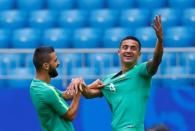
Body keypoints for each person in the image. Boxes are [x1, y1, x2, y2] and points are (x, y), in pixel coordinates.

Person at [70, 15, 164, 131]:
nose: (128, 50)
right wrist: (80, 82)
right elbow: (88, 94)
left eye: (133, 48)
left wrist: (160, 40)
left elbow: (157, 59)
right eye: (125, 47)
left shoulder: (141, 72)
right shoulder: (108, 79)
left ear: (139, 54)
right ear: (119, 52)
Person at [30, 46, 82, 131]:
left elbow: (65, 95)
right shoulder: (47, 91)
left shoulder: (36, 85)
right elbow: (70, 115)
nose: (58, 63)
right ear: (46, 66)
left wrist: (83, 85)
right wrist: (78, 93)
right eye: (55, 60)